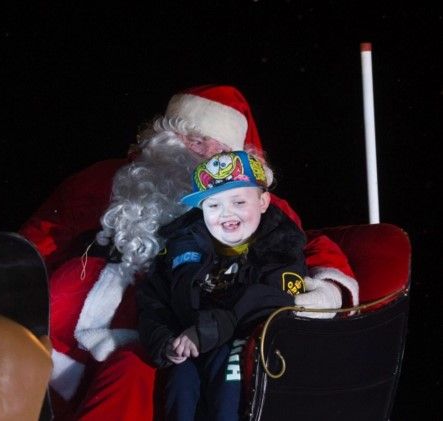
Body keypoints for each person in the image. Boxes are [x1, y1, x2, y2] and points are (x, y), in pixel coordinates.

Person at [18, 85, 359, 420]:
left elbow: (306, 244)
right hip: (83, 335)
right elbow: (39, 239)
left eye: (218, 150)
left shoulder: (252, 205)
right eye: (194, 140)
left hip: (195, 333)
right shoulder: (105, 181)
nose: (202, 155)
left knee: (137, 376)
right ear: (163, 141)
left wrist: (326, 288)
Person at [138, 151, 306, 420]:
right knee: (180, 382)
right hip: (190, 346)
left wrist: (209, 330)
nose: (226, 213)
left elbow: (273, 300)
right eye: (213, 205)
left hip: (243, 346)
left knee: (229, 363)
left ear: (263, 201)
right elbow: (153, 301)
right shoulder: (183, 246)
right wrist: (165, 341)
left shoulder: (281, 246)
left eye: (238, 201)